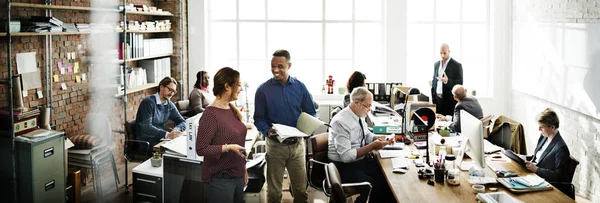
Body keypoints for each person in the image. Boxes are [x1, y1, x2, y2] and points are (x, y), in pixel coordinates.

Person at [254, 49, 316, 203]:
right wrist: (267, 131)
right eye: (273, 66)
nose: (275, 70)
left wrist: (308, 127)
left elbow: (311, 112)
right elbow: (258, 118)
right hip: (275, 147)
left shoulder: (300, 87)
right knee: (274, 193)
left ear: (289, 65)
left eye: (280, 66)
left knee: (301, 191)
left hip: (297, 147)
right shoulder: (262, 90)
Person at [328, 87, 395, 203]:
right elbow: (346, 156)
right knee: (376, 186)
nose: (369, 109)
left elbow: (366, 134)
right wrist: (372, 146)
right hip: (344, 166)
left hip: (358, 161)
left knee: (388, 180)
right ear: (356, 103)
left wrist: (376, 138)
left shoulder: (358, 115)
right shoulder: (341, 122)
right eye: (367, 106)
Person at [196, 67, 247, 203]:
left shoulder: (231, 108)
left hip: (238, 175)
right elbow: (201, 149)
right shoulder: (210, 115)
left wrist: (244, 170)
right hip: (220, 180)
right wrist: (228, 147)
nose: (241, 88)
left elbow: (240, 144)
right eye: (239, 85)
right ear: (227, 86)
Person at [135, 76, 185, 147]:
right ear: (161, 87)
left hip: (160, 139)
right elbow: (146, 127)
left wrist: (175, 130)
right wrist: (167, 134)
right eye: (170, 89)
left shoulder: (169, 104)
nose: (171, 94)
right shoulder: (148, 102)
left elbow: (182, 121)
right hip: (146, 141)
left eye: (174, 91)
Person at [523, 108, 571, 182]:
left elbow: (559, 176)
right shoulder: (543, 137)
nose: (539, 129)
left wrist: (537, 170)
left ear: (552, 127)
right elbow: (538, 158)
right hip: (533, 176)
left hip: (544, 182)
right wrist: (523, 158)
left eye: (541, 127)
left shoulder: (561, 148)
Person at [431, 43, 463, 116]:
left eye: (444, 53)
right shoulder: (436, 64)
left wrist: (447, 81)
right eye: (441, 53)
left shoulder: (457, 65)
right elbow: (434, 80)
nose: (442, 55)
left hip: (449, 101)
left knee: (447, 124)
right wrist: (433, 97)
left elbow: (460, 82)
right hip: (437, 100)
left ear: (449, 51)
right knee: (438, 123)